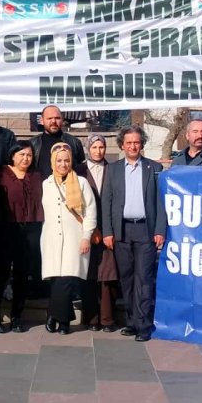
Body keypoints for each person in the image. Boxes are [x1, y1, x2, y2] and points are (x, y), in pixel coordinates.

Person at [101, 126, 167, 342]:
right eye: (128, 142)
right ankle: (131, 321)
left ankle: (144, 324)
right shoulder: (113, 169)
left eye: (136, 142)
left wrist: (159, 229)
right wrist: (108, 231)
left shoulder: (154, 168)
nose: (132, 146)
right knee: (127, 279)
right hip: (121, 231)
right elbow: (106, 202)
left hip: (145, 231)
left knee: (144, 279)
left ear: (142, 144)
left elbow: (161, 202)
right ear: (122, 145)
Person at [41, 143, 97, 334]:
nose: (63, 164)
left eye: (66, 160)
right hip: (51, 239)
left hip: (75, 238)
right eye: (59, 160)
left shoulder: (81, 183)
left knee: (67, 279)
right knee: (56, 280)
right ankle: (62, 318)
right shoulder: (46, 184)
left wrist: (86, 237)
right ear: (52, 162)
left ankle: (56, 317)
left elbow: (90, 212)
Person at [0, 140, 42, 334]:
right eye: (21, 154)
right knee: (0, 273)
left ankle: (16, 317)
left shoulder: (36, 177)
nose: (25, 158)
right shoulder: (0, 175)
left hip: (30, 229)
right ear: (12, 155)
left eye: (29, 155)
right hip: (5, 229)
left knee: (22, 274)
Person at [75, 134, 118, 332]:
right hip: (85, 228)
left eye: (101, 147)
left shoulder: (114, 169)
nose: (98, 151)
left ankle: (108, 319)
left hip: (109, 228)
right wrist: (89, 229)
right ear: (88, 149)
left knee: (107, 274)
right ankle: (91, 318)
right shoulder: (78, 171)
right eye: (94, 147)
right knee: (89, 274)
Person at [30, 105, 85, 177]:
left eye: (57, 118)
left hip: (68, 186)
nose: (53, 121)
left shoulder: (74, 142)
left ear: (62, 120)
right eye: (49, 118)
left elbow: (81, 169)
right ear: (41, 121)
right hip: (41, 187)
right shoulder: (32, 144)